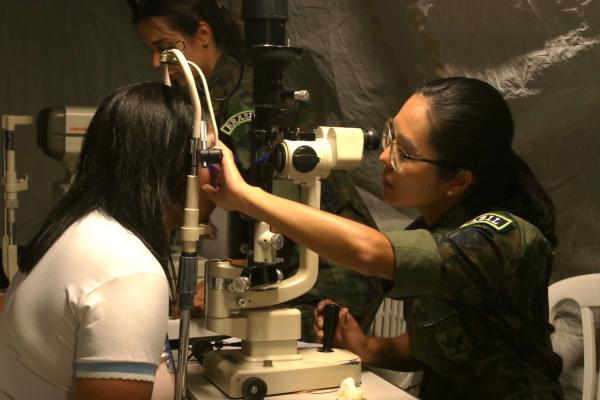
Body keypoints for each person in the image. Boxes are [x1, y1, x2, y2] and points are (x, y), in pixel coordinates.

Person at [202, 76, 564, 399]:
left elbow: (371, 251)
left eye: (404, 152)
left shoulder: (501, 240)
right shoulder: (429, 232)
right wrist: (369, 347)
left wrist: (246, 197)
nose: (385, 156)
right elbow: (445, 339)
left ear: (458, 181)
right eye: (391, 136)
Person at [127, 0, 388, 340]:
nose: (158, 62)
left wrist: (233, 279)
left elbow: (261, 197)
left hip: (333, 263)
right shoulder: (211, 96)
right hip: (296, 252)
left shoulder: (244, 98)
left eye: (164, 49)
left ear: (202, 34)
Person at [0, 82, 208, 399]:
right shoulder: (129, 273)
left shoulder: (79, 228)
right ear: (177, 167)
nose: (220, 173)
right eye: (211, 157)